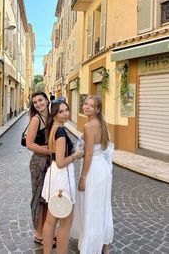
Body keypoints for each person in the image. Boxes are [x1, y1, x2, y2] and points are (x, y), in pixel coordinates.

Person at [71, 95, 114, 254]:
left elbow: (88, 155)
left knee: (90, 206)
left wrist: (82, 178)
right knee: (103, 206)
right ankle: (104, 245)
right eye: (85, 104)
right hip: (103, 169)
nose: (86, 107)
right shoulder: (103, 124)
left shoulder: (89, 126)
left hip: (93, 171)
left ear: (97, 109)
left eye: (91, 105)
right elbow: (107, 149)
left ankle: (90, 245)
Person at [41, 99, 84, 254]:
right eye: (61, 111)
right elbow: (60, 162)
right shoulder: (60, 132)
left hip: (54, 175)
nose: (66, 113)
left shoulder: (53, 127)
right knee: (65, 223)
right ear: (54, 114)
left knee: (50, 220)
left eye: (66, 110)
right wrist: (77, 155)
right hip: (62, 177)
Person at [26, 91, 51, 245]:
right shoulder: (36, 120)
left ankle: (46, 230)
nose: (38, 104)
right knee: (38, 198)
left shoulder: (52, 116)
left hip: (50, 163)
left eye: (40, 100)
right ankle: (38, 233)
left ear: (47, 100)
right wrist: (49, 150)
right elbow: (29, 144)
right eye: (35, 102)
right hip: (38, 163)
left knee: (48, 197)